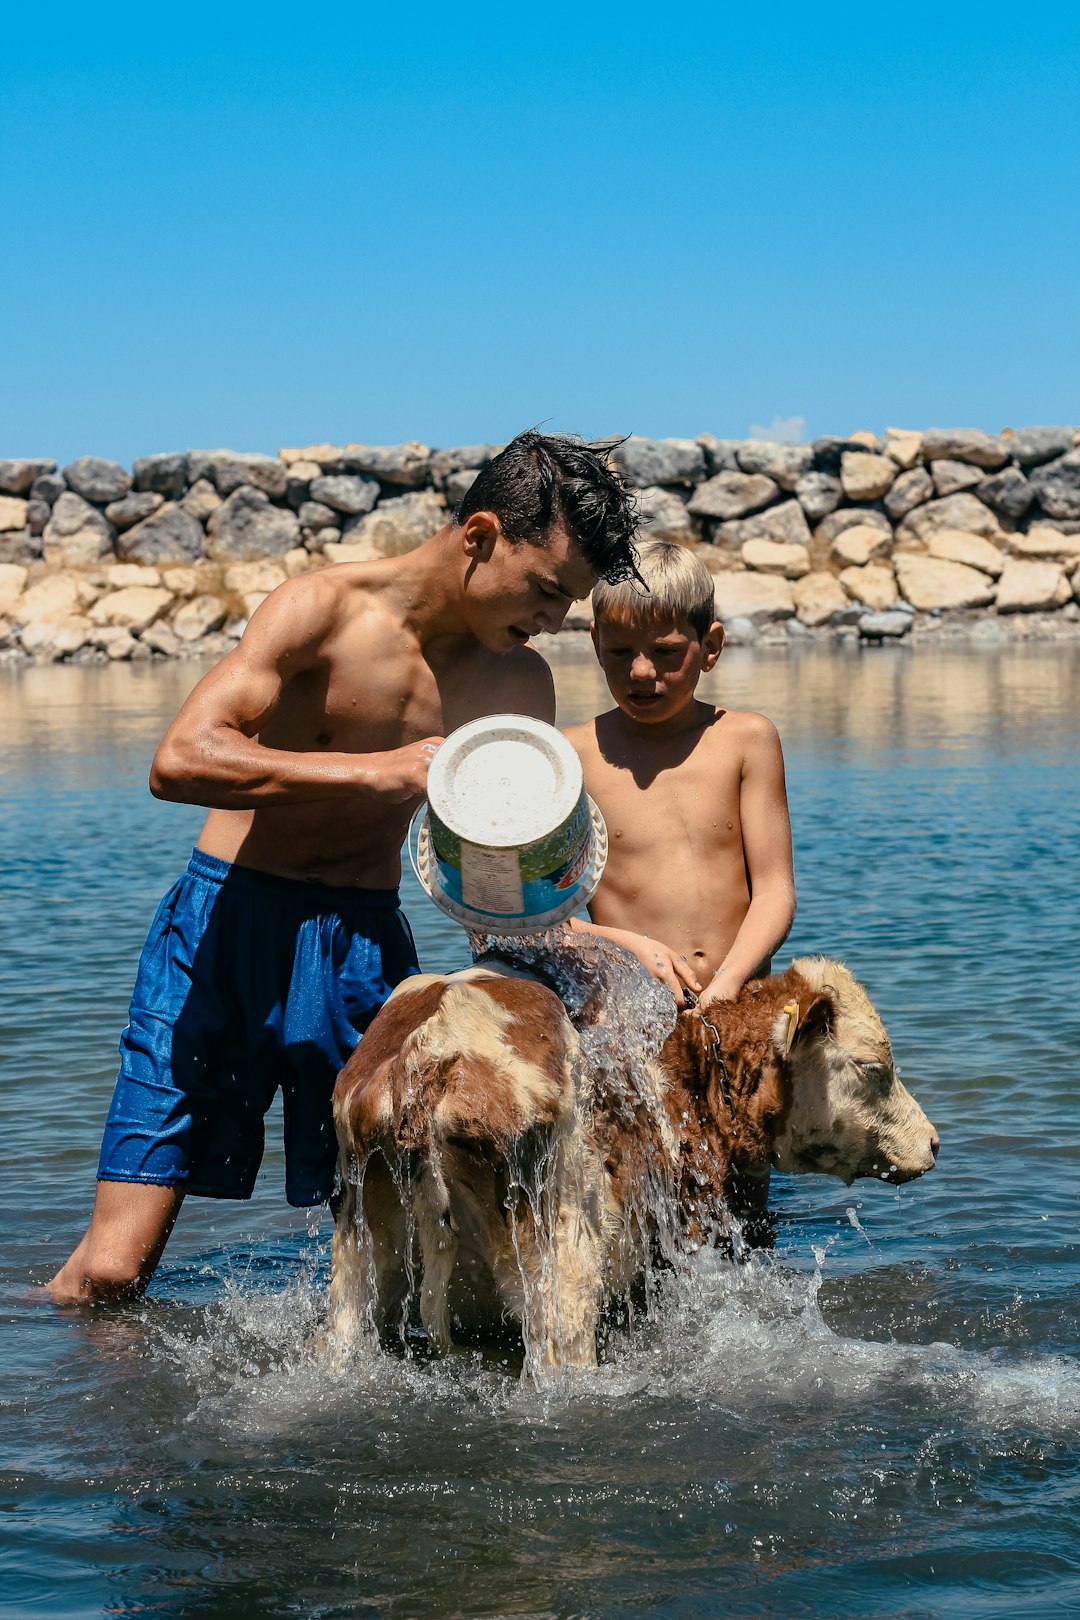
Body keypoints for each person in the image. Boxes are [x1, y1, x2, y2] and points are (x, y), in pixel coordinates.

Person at [48, 430, 641, 1304]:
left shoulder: (520, 690)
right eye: (547, 590)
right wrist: (373, 771)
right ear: (479, 536)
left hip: (364, 952)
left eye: (570, 604)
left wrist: (578, 947)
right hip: (222, 932)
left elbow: (496, 878)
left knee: (393, 1270)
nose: (554, 622)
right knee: (111, 1273)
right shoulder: (318, 610)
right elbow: (178, 759)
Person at [563, 538, 796, 1010]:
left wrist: (729, 981)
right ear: (595, 643)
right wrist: (627, 947)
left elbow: (775, 889)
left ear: (710, 646)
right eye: (620, 651)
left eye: (666, 652)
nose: (642, 671)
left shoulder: (746, 740)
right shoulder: (571, 756)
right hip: (628, 1011)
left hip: (739, 1001)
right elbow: (537, 919)